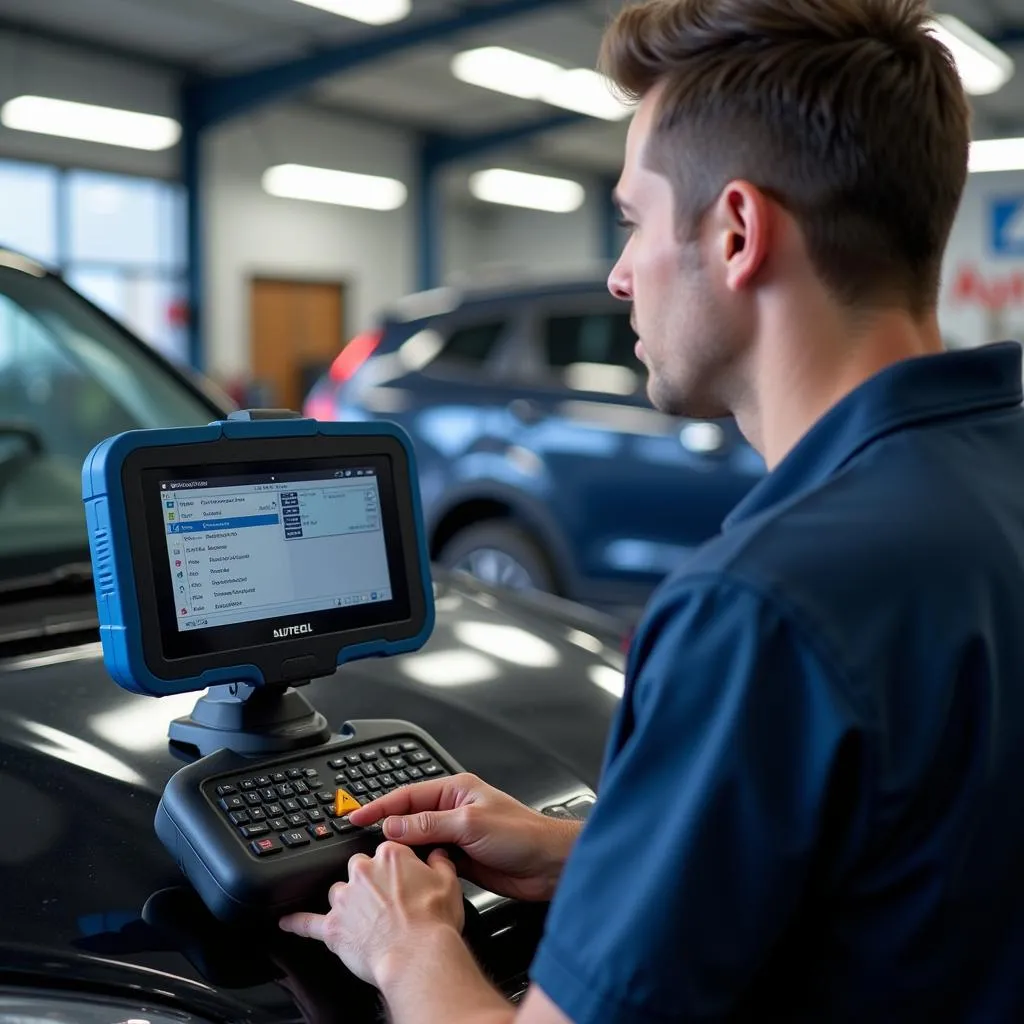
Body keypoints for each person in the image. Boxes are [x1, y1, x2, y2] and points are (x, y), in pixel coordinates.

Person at [280, 0, 1024, 1020]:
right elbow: (926, 846)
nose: (619, 275)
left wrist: (407, 949)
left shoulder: (765, 606)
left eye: (630, 221)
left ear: (735, 231)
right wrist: (602, 855)